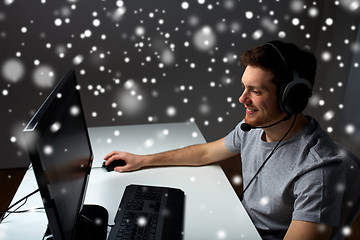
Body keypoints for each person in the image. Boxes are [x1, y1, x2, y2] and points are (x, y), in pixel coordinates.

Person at [104, 40, 354, 240]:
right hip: (238, 223)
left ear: (292, 98)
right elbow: (204, 154)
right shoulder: (253, 128)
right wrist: (143, 160)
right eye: (245, 88)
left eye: (255, 92)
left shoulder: (318, 169)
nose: (242, 99)